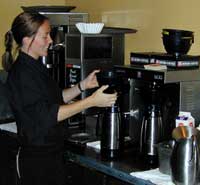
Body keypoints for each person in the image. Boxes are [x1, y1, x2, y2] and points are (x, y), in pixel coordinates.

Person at [2, 12, 117, 185]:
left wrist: (82, 86)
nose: (51, 40)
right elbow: (48, 114)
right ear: (27, 40)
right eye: (45, 35)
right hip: (38, 163)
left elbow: (55, 98)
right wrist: (91, 101)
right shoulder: (22, 74)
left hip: (51, 156)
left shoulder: (35, 66)